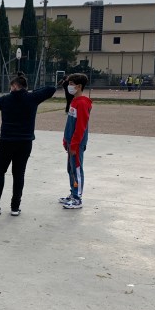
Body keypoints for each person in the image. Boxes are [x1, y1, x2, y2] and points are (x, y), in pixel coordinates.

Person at [0, 73, 56, 216]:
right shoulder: (33, 97)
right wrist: (28, 92)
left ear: (14, 86)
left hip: (7, 143)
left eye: (11, 86)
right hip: (25, 143)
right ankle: (15, 207)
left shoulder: (6, 99)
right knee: (19, 174)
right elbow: (51, 89)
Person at [61, 73, 92, 210]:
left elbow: (80, 126)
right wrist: (65, 139)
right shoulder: (74, 101)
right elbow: (70, 123)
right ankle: (73, 193)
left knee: (77, 169)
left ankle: (77, 198)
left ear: (79, 86)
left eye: (71, 84)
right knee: (70, 169)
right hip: (70, 141)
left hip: (76, 144)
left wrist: (74, 144)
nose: (69, 86)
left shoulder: (83, 103)